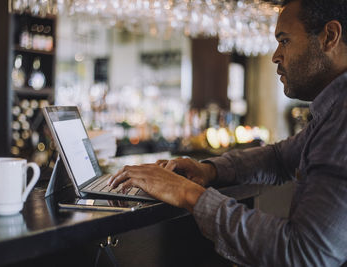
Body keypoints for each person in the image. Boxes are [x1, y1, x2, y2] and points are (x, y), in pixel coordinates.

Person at [108, 0, 347, 266]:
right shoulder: (333, 112)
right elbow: (280, 158)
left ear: (329, 37)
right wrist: (209, 170)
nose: (275, 55)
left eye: (285, 40)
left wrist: (188, 194)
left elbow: (305, 253)